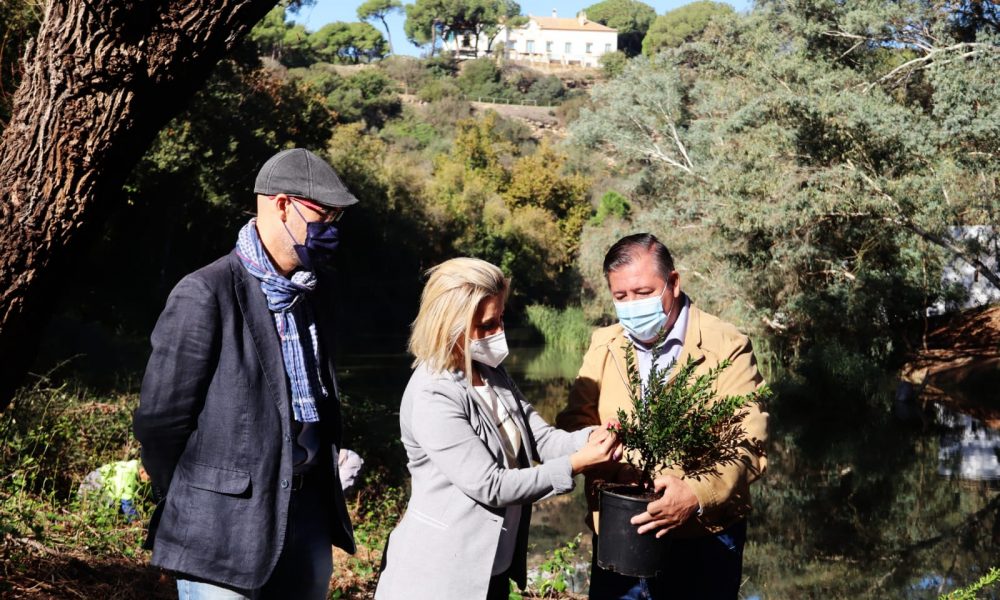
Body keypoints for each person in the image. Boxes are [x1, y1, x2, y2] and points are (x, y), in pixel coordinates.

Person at [134, 148, 358, 599]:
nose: (331, 227)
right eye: (323, 213)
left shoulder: (318, 292)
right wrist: (200, 496)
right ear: (281, 204)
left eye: (336, 217)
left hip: (308, 511)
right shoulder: (205, 293)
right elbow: (160, 423)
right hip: (220, 528)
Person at [375, 257, 621, 600]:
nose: (498, 333)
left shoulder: (491, 372)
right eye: (487, 325)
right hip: (442, 577)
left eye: (501, 319)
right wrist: (576, 464)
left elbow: (540, 438)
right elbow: (492, 485)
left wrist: (590, 437)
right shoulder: (435, 393)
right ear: (450, 324)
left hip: (490, 570)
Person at [556, 233, 769, 600]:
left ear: (673, 282)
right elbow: (574, 421)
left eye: (642, 292)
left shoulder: (727, 345)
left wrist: (695, 492)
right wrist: (602, 451)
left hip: (705, 537)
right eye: (620, 297)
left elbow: (749, 442)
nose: (631, 305)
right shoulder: (604, 343)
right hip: (620, 533)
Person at [77, 459, 149, 522]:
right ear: (142, 472)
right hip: (94, 485)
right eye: (149, 477)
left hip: (95, 481)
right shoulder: (128, 474)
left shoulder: (136, 467)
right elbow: (127, 503)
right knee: (100, 515)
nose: (150, 480)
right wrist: (136, 522)